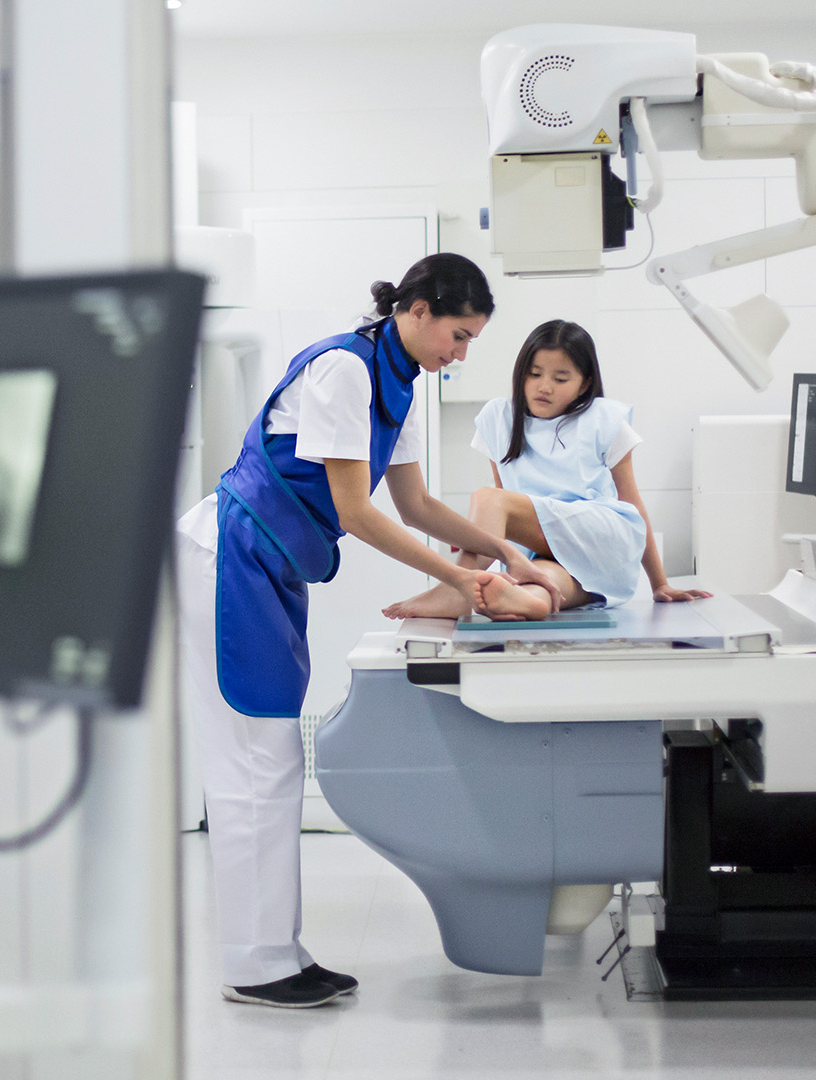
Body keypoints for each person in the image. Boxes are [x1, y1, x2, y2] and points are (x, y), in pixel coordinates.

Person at [174, 253, 559, 1010]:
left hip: (271, 565)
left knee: (271, 759)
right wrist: (459, 580)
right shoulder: (345, 371)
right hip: (232, 555)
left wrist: (511, 551)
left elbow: (416, 506)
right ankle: (256, 963)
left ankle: (275, 953)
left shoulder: (400, 384)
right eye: (458, 333)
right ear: (415, 310)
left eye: (473, 339)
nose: (462, 353)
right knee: (257, 760)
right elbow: (356, 512)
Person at [385, 319, 710, 619]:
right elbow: (504, 521)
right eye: (535, 373)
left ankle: (457, 589)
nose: (545, 386)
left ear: (584, 385)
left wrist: (659, 583)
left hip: (600, 537)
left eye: (560, 378)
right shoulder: (499, 419)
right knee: (539, 586)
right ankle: (528, 601)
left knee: (490, 498)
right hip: (547, 551)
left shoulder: (603, 418)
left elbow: (631, 505)